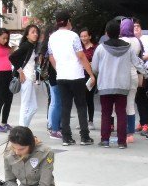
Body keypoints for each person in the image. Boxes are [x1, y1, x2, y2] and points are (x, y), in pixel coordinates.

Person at [91, 18, 148, 149]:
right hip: (123, 85)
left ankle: (105, 140)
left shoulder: (100, 48)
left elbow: (94, 68)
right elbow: (139, 64)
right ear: (119, 32)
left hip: (105, 85)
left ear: (107, 33)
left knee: (106, 113)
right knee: (121, 112)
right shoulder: (128, 49)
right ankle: (122, 141)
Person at [48, 10, 96, 146]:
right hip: (76, 75)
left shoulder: (52, 37)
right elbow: (81, 56)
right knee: (81, 105)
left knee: (65, 106)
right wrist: (91, 74)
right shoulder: (73, 36)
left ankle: (66, 137)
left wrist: (59, 69)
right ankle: (85, 136)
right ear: (68, 21)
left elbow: (51, 57)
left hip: (61, 76)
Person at [10, 24, 41, 128]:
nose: (35, 34)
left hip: (30, 79)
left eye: (36, 32)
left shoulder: (32, 46)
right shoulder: (26, 46)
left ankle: (24, 129)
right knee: (26, 106)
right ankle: (21, 132)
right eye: (32, 32)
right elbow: (12, 57)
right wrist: (20, 71)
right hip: (26, 79)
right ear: (27, 35)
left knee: (34, 107)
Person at [119, 18, 142, 141]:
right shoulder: (137, 41)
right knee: (131, 104)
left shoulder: (120, 41)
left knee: (120, 105)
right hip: (133, 75)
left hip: (121, 76)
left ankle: (122, 131)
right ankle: (130, 134)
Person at [79, 29, 97, 128]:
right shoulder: (79, 48)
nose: (83, 38)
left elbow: (98, 62)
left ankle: (90, 121)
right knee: (81, 99)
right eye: (81, 36)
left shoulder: (95, 48)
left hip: (91, 76)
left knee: (89, 98)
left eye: (85, 36)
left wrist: (90, 64)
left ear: (90, 36)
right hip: (80, 75)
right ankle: (82, 121)